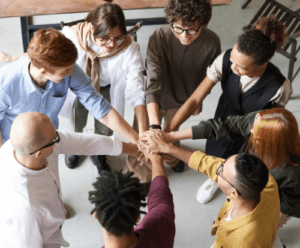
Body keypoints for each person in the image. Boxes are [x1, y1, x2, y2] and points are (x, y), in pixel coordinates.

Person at [0, 111, 139, 248]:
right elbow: (25, 245)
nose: (59, 137)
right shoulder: (26, 205)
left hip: (16, 228)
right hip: (30, 245)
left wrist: (132, 148)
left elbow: (82, 142)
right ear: (39, 152)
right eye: (54, 137)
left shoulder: (17, 148)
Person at [165, 15, 292, 203]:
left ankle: (231, 183)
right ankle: (215, 178)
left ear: (262, 64)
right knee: (215, 149)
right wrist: (169, 131)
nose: (232, 68)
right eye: (232, 60)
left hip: (250, 132)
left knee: (240, 163)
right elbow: (194, 99)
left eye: (240, 67)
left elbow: (271, 121)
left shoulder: (280, 87)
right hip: (223, 116)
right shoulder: (224, 60)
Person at [139, 131, 280, 248]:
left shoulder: (241, 246)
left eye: (221, 171)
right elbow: (211, 164)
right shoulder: (266, 183)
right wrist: (168, 148)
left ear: (233, 192)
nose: (217, 168)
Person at [0, 27, 138, 150]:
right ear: (43, 72)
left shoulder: (67, 66)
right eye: (65, 70)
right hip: (13, 145)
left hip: (49, 139)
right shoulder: (5, 84)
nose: (71, 73)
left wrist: (137, 141)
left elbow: (98, 105)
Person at [64, 148, 175, 248]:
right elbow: (161, 196)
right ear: (137, 216)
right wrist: (156, 159)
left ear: (96, 215)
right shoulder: (160, 228)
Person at [61, 3, 149, 182]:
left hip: (106, 87)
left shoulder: (129, 49)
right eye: (105, 38)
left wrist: (141, 135)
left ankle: (99, 152)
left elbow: (136, 88)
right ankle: (74, 148)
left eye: (117, 38)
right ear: (92, 28)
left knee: (106, 127)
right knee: (75, 120)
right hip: (77, 88)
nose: (111, 44)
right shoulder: (72, 36)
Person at [144, 0, 221, 173]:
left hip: (184, 98)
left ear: (203, 23)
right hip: (155, 96)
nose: (184, 35)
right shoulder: (158, 37)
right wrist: (155, 128)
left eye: (192, 29)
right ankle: (140, 173)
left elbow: (207, 80)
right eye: (177, 28)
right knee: (145, 133)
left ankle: (172, 159)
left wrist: (198, 101)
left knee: (172, 131)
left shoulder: (212, 42)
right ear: (170, 20)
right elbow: (152, 80)